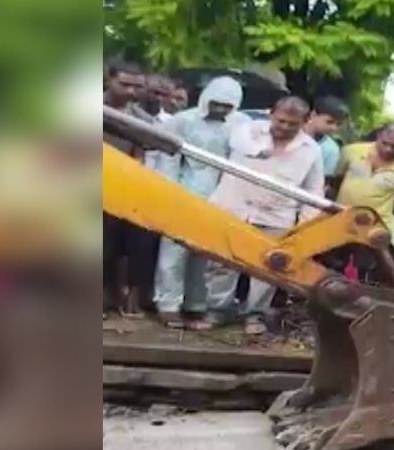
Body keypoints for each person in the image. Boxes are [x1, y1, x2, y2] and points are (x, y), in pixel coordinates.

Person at [206, 96, 325, 333]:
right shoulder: (248, 131)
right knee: (221, 263)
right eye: (280, 121)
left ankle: (255, 316)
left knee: (268, 269)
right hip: (233, 206)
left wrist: (303, 225)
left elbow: (313, 191)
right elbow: (242, 146)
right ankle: (217, 311)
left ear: (305, 121)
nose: (285, 127)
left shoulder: (311, 150)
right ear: (271, 114)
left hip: (277, 215)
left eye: (292, 124)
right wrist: (265, 148)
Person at [151, 76, 245, 330]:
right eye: (217, 103)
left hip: (223, 197)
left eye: (228, 105)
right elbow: (165, 157)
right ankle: (168, 304)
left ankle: (196, 304)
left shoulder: (241, 126)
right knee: (174, 251)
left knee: (206, 254)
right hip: (185, 190)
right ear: (206, 98)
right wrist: (170, 192)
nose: (221, 109)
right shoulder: (182, 121)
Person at [103, 61, 159, 318]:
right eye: (124, 84)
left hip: (123, 191)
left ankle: (127, 296)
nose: (130, 92)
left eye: (137, 87)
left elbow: (140, 156)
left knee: (129, 245)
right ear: (108, 80)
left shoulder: (140, 120)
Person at [335, 121, 394, 224]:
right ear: (378, 136)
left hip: (375, 227)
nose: (388, 150)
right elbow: (336, 180)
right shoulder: (351, 151)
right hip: (339, 217)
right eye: (384, 143)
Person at [303, 96, 349, 176]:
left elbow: (323, 178)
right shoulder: (291, 130)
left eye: (338, 124)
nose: (333, 128)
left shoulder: (331, 149)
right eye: (329, 122)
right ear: (313, 115)